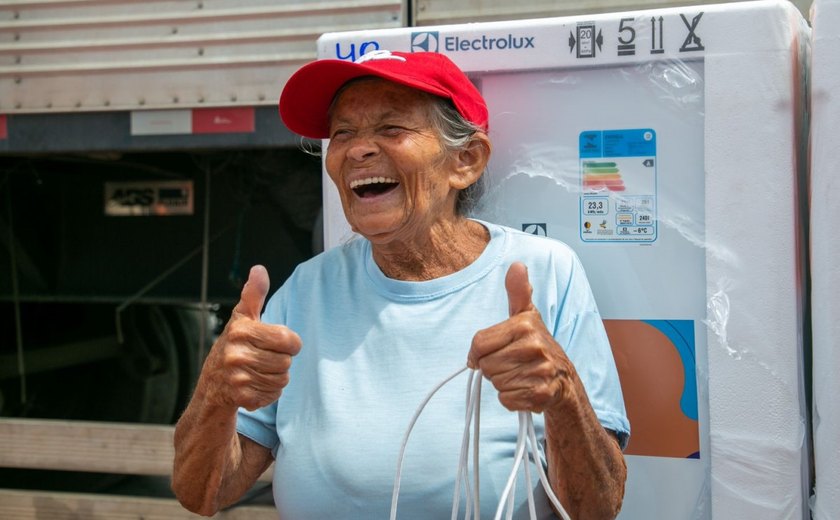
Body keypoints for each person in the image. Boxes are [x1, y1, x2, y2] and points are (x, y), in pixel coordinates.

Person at [172, 50, 630, 519]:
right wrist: (216, 394)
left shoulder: (546, 272)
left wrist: (563, 395)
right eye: (343, 132)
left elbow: (597, 508)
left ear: (466, 161)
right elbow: (203, 494)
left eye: (391, 129)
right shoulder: (306, 291)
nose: (357, 149)